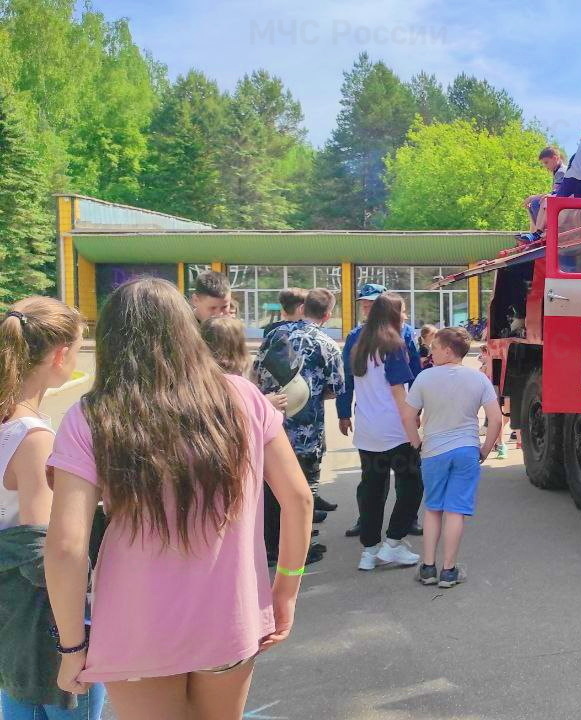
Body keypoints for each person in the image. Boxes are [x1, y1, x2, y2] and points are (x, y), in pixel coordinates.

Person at [43, 278, 313, 720]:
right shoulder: (242, 397)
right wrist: (285, 589)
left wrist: (71, 645)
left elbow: (67, 546)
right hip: (229, 616)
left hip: (135, 626)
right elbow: (298, 499)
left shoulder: (92, 415)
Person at [0, 298, 105, 720]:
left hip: (9, 617)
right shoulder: (34, 436)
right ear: (61, 355)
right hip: (43, 618)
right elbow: (42, 547)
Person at [253, 289, 346, 563]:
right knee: (302, 492)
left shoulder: (273, 335)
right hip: (307, 432)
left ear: (304, 308)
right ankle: (294, 553)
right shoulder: (327, 344)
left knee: (271, 490)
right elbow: (336, 387)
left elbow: (257, 373)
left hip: (271, 425)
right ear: (327, 314)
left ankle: (271, 548)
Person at [407, 327, 502, 588]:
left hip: (434, 451)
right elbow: (495, 419)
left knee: (433, 509)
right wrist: (485, 449)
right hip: (466, 450)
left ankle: (427, 568)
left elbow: (407, 416)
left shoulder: (425, 378)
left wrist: (417, 444)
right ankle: (449, 571)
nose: (431, 352)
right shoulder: (478, 379)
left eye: (434, 348)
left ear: (448, 350)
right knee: (456, 511)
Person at [339, 293, 424, 571]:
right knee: (412, 486)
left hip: (367, 433)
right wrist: (414, 434)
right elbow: (399, 395)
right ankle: (394, 543)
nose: (406, 317)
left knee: (372, 491)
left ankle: (369, 550)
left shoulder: (359, 344)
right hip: (395, 432)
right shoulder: (394, 345)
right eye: (403, 312)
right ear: (394, 314)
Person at [520, 147, 566, 242]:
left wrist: (532, 197)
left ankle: (539, 232)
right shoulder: (557, 172)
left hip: (565, 203)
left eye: (546, 162)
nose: (545, 166)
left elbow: (556, 193)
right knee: (534, 203)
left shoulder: (561, 172)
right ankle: (536, 232)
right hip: (561, 200)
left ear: (555, 158)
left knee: (536, 202)